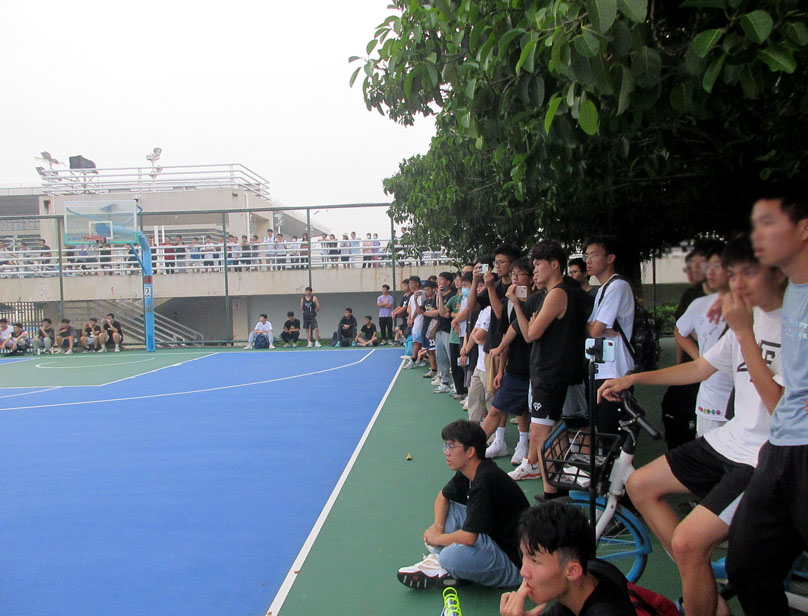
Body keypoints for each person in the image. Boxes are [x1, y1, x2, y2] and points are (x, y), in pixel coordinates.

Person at [599, 234, 785, 616]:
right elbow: (701, 367)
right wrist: (633, 378)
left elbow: (779, 407)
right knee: (640, 484)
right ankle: (702, 582)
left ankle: (696, 574)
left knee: (688, 542)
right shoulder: (750, 319)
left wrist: (745, 333)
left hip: (765, 459)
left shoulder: (791, 326)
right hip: (729, 439)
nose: (735, 285)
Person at [726, 183, 808, 615]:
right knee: (746, 565)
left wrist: (743, 333)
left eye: (768, 224)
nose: (757, 236)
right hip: (780, 448)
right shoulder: (793, 293)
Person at [397, 420, 529, 590]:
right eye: (446, 446)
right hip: (492, 538)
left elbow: (469, 537)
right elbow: (442, 497)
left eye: (452, 446)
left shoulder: (485, 480)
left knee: (449, 557)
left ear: (470, 451)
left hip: (514, 563)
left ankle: (443, 563)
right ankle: (443, 564)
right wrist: (438, 527)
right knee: (450, 509)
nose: (446, 452)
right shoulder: (470, 472)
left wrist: (438, 538)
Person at [509, 241, 590, 496]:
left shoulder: (557, 294)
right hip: (557, 372)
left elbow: (530, 334)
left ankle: (552, 493)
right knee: (562, 432)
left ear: (554, 265)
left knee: (540, 435)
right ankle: (560, 488)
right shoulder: (561, 292)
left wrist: (517, 305)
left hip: (550, 373)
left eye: (538, 264)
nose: (534, 270)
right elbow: (530, 332)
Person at [499, 502, 635, 616]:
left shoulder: (604, 611)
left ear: (572, 571)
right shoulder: (589, 578)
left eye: (535, 561)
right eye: (525, 556)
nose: (523, 572)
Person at [674, 242, 733, 436]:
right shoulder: (700, 304)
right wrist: (700, 358)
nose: (711, 272)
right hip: (710, 400)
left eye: (718, 266)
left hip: (742, 400)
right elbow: (679, 331)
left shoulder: (754, 308)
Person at [483, 257, 535, 466]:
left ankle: (524, 446)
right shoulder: (508, 303)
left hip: (537, 367)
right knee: (497, 407)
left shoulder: (539, 300)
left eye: (520, 274)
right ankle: (478, 447)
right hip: (514, 366)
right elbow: (507, 334)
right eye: (513, 274)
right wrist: (501, 370)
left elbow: (528, 333)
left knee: (529, 412)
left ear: (531, 278)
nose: (515, 278)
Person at [584, 235, 635, 434]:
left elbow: (594, 330)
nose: (588, 261)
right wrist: (595, 326)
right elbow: (593, 327)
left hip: (615, 370)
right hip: (603, 367)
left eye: (594, 255)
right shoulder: (604, 289)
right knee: (603, 429)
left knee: (612, 431)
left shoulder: (617, 286)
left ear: (610, 258)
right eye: (586, 256)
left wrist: (594, 327)